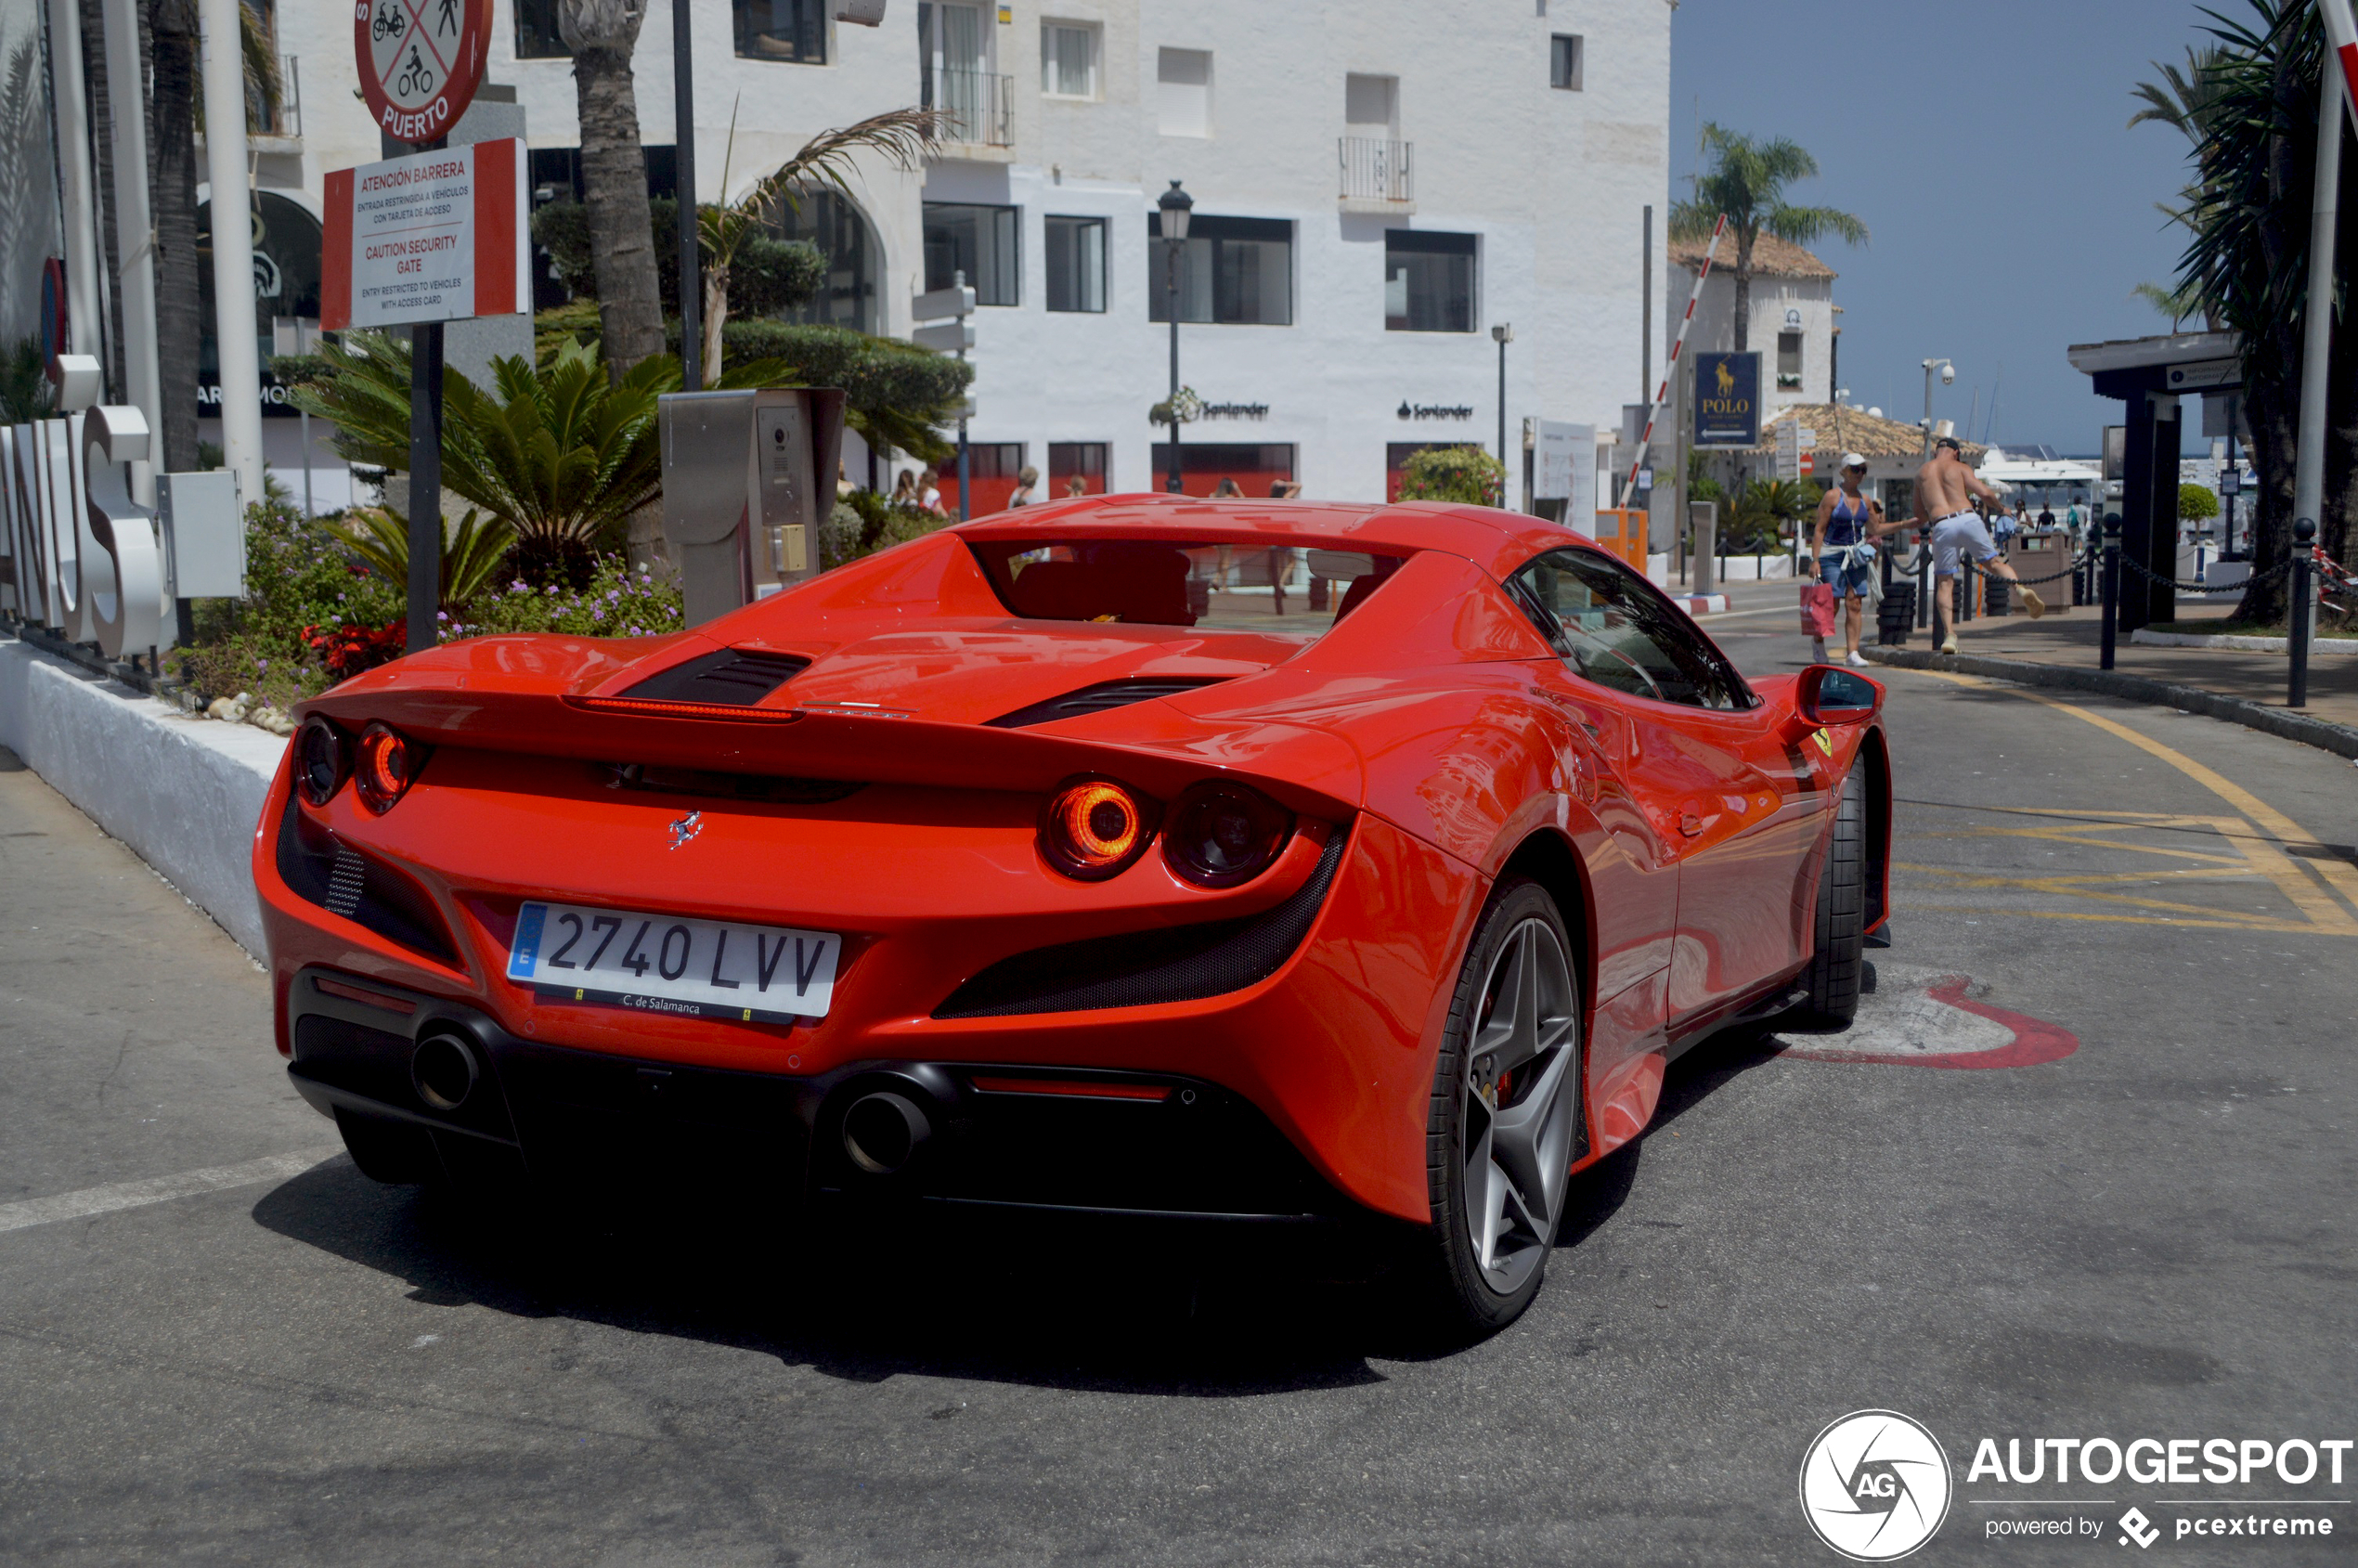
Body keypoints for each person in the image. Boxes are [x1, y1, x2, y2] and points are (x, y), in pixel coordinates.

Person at [1915, 436, 2042, 653]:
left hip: (1942, 524)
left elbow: (1919, 514)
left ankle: (1950, 635)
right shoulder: (1960, 467)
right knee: (1994, 562)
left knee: (1945, 582)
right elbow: (1985, 493)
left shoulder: (1921, 473)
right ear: (1956, 452)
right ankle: (2019, 589)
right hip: (1967, 518)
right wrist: (2002, 509)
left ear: (1937, 451)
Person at [1807, 454, 1892, 667]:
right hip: (1831, 554)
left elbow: (1875, 528)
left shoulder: (1865, 500)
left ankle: (1852, 652)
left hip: (1856, 555)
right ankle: (1818, 641)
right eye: (1856, 469)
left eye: (1863, 470)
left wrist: (1906, 524)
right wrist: (1815, 559)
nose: (1860, 474)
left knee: (1855, 603)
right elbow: (1820, 529)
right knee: (1831, 604)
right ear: (1844, 471)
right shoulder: (1832, 497)